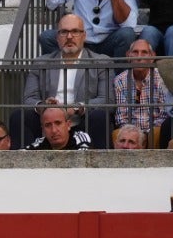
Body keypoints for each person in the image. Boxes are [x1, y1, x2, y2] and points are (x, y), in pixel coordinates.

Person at [17, 13, 112, 148]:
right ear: (57, 37)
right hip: (49, 122)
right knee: (19, 116)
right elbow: (28, 99)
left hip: (82, 120)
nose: (69, 37)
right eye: (64, 32)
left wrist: (75, 108)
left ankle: (98, 165)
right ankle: (21, 164)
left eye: (75, 32)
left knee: (100, 116)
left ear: (84, 36)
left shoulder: (101, 62)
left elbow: (107, 100)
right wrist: (45, 107)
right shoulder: (41, 62)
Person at [112, 36, 173, 144]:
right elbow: (121, 117)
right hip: (130, 131)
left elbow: (164, 114)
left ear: (152, 57)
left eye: (144, 52)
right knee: (117, 134)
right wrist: (135, 134)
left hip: (154, 130)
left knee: (158, 132)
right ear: (128, 55)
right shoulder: (120, 80)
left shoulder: (162, 78)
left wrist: (146, 134)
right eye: (135, 52)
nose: (139, 57)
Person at [27, 103, 94, 148]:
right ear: (43, 129)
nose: (54, 130)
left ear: (68, 125)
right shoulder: (39, 143)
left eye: (58, 123)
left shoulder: (81, 139)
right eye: (48, 125)